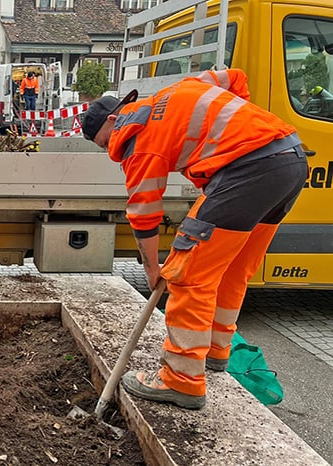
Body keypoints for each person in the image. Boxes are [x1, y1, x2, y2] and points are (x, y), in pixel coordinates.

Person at [82, 69, 308, 409]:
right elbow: (236, 78)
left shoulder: (135, 140)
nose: (110, 150)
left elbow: (144, 215)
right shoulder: (182, 88)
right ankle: (217, 351)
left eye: (104, 142)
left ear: (115, 119)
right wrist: (234, 137)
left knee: (187, 275)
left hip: (246, 170)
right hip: (289, 159)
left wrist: (154, 269)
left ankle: (181, 380)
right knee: (231, 269)